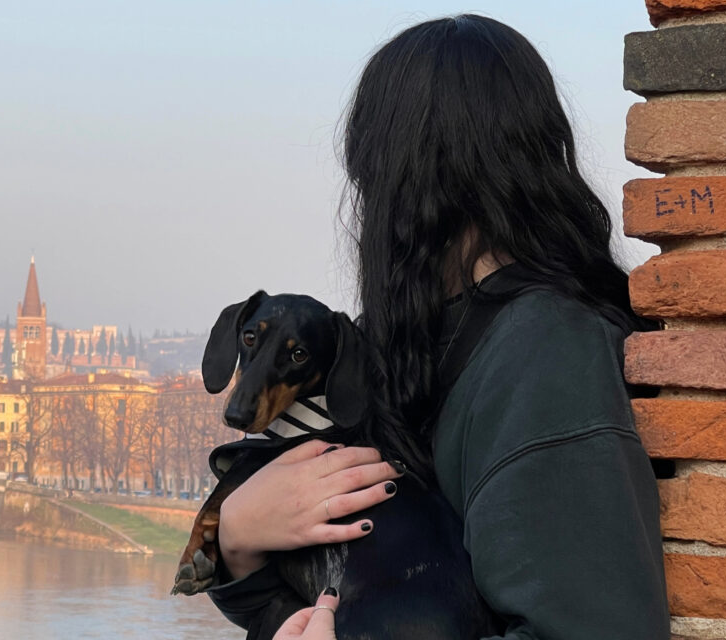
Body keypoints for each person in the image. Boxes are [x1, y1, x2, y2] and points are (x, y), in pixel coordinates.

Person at [205, 14, 671, 640]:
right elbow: (306, 572)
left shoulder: (549, 354)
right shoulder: (410, 335)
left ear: (400, 179)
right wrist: (231, 536)